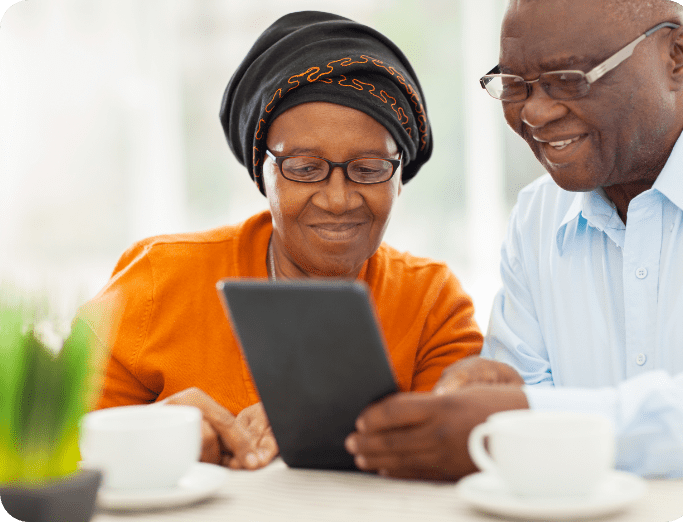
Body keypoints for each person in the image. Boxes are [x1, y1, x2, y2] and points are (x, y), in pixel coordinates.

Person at [77, 11, 483, 471]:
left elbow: (453, 459)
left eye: (369, 169)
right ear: (262, 175)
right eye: (304, 168)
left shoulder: (433, 305)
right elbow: (46, 442)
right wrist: (158, 432)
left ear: (400, 178)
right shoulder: (158, 280)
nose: (337, 199)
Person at [345, 0, 683, 480]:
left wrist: (525, 415)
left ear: (678, 56)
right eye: (513, 85)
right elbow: (518, 396)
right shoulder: (538, 215)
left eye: (570, 79)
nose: (534, 112)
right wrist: (485, 393)